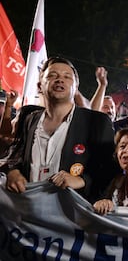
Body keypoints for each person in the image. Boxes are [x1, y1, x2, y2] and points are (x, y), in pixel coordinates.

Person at [5, 57, 118, 203]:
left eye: (67, 76)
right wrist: (13, 172)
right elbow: (15, 156)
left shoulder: (97, 122)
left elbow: (110, 169)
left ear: (75, 87)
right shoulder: (29, 119)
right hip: (28, 212)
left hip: (72, 217)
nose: (60, 80)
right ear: (40, 86)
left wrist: (82, 180)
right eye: (53, 76)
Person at [90, 67, 128, 131]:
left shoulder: (116, 125)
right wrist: (102, 85)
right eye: (105, 107)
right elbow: (91, 112)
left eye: (112, 107)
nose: (110, 110)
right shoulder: (92, 126)